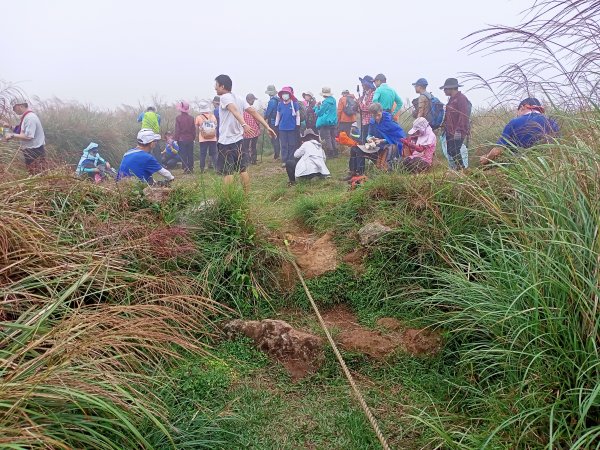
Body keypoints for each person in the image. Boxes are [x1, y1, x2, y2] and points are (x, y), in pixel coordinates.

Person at [214, 74, 276, 192]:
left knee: (228, 172)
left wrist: (244, 124)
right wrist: (267, 126)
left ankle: (229, 200)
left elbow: (234, 110)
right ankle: (246, 196)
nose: (215, 88)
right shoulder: (239, 98)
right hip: (239, 140)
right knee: (243, 170)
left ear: (222, 86)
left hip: (226, 141)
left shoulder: (225, 97)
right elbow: (253, 112)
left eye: (216, 85)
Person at [480, 97, 559, 165]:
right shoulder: (552, 123)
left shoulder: (514, 122)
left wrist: (486, 158)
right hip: (547, 168)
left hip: (518, 169)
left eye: (517, 113)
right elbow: (558, 148)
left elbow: (497, 151)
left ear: (522, 107)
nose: (518, 115)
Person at [347, 102, 406, 177]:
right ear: (371, 114)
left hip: (386, 148)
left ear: (381, 111)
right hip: (375, 146)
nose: (377, 117)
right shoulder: (372, 121)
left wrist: (382, 140)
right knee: (355, 149)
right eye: (374, 116)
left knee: (389, 147)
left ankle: (384, 171)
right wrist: (369, 138)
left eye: (378, 115)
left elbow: (400, 138)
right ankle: (356, 173)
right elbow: (369, 134)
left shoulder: (390, 121)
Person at [3, 98, 47, 175]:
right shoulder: (26, 117)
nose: (13, 110)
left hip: (35, 152)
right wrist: (9, 126)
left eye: (14, 108)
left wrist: (11, 135)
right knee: (32, 173)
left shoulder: (30, 118)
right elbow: (21, 131)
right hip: (30, 151)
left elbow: (28, 136)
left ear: (21, 106)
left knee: (36, 175)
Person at [440, 78, 471, 171]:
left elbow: (463, 115)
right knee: (450, 151)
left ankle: (462, 169)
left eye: (445, 89)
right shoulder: (451, 100)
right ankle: (459, 168)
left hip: (458, 131)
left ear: (451, 88)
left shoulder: (461, 99)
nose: (444, 91)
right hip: (450, 130)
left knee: (455, 150)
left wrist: (459, 130)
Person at [275, 86, 300, 166]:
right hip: (282, 128)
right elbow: (278, 116)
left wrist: (297, 125)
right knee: (284, 144)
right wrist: (276, 125)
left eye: (286, 93)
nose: (284, 95)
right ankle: (284, 160)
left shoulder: (294, 104)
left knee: (292, 144)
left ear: (289, 95)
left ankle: (291, 159)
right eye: (283, 94)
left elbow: (298, 115)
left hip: (292, 128)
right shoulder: (280, 104)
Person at [195, 100, 218, 172]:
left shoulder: (198, 117)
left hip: (203, 139)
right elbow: (216, 126)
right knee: (214, 154)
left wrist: (197, 135)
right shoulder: (213, 116)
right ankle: (216, 168)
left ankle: (202, 169)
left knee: (203, 154)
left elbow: (196, 128)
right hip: (212, 138)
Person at [315, 87, 338, 158]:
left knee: (327, 138)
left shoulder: (325, 103)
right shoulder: (333, 100)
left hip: (326, 122)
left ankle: (330, 153)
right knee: (333, 137)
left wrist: (316, 107)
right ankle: (336, 152)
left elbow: (319, 113)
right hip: (333, 121)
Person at [174, 101, 195, 174]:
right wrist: (193, 138)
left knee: (183, 154)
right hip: (190, 139)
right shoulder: (191, 118)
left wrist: (176, 139)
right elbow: (193, 129)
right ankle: (191, 168)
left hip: (182, 139)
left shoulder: (178, 118)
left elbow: (177, 130)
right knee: (190, 154)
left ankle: (185, 168)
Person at [243, 93, 261, 165]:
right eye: (253, 100)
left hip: (246, 131)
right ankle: (253, 160)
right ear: (249, 100)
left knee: (246, 147)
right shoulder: (252, 109)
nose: (253, 101)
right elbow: (257, 120)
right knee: (253, 146)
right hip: (254, 131)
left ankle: (247, 160)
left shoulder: (242, 109)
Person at [264, 85, 281, 160]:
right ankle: (278, 153)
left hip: (273, 122)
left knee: (274, 138)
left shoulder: (272, 101)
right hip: (279, 122)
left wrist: (264, 118)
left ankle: (276, 154)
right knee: (279, 138)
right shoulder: (279, 100)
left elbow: (268, 113)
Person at [358, 75, 376, 143]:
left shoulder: (373, 94)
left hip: (369, 121)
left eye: (363, 84)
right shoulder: (366, 94)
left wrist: (359, 103)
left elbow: (369, 108)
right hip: (364, 120)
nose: (362, 85)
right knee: (363, 139)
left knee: (367, 140)